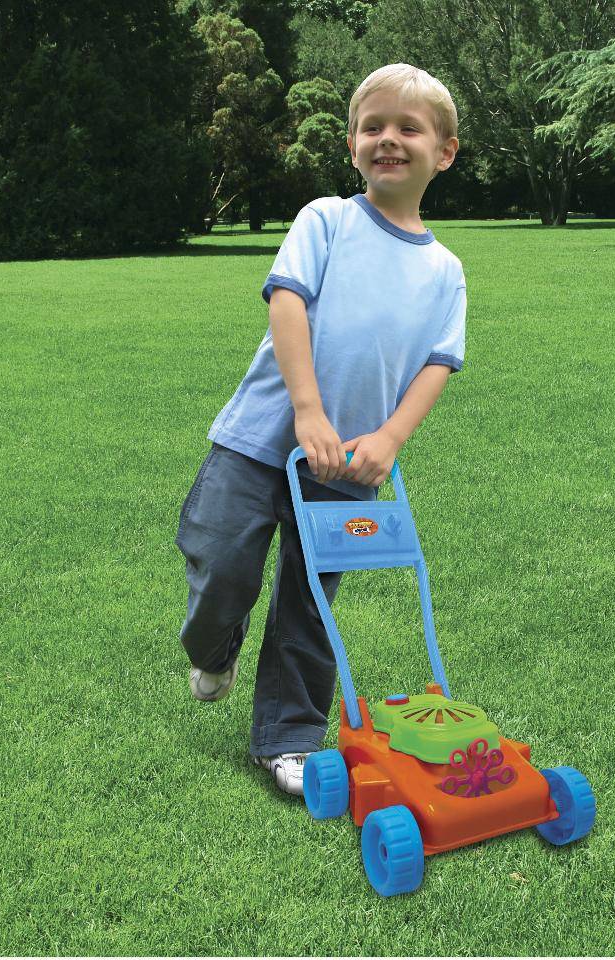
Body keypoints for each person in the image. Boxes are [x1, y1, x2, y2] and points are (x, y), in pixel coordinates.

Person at [175, 63, 467, 796]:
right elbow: (287, 303)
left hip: (344, 468)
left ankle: (288, 739)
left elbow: (439, 363)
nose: (388, 139)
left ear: (445, 152)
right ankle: (213, 648)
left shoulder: (446, 271)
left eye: (408, 128)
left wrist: (390, 439)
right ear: (352, 144)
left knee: (309, 607)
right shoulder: (326, 220)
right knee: (219, 559)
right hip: (259, 442)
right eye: (373, 126)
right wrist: (307, 411)